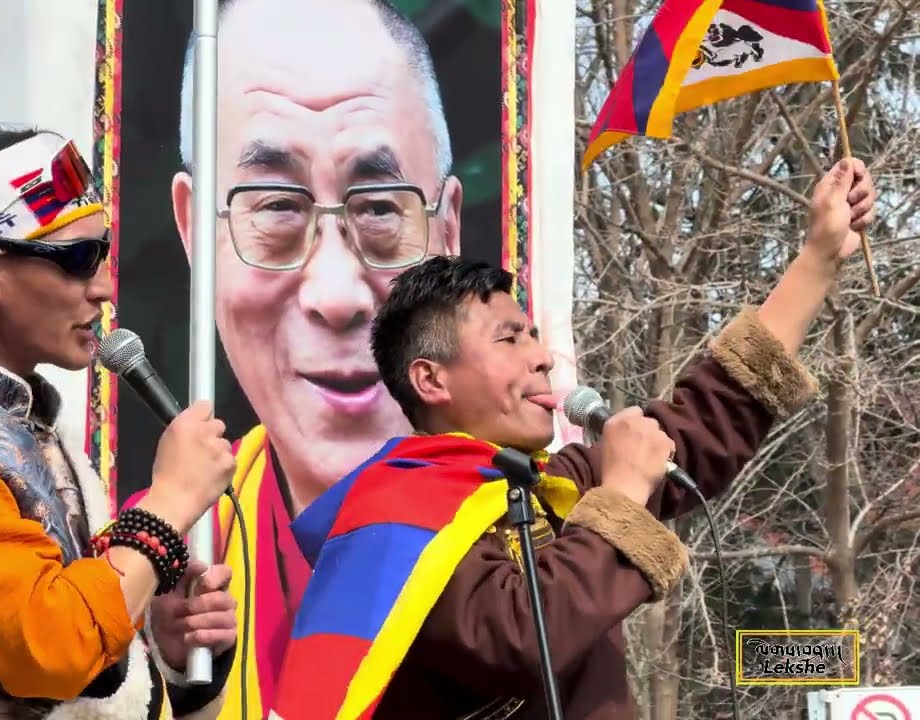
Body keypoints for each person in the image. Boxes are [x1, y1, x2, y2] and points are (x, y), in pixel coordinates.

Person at [271, 158, 878, 719]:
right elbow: (516, 639)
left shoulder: (551, 486)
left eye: (535, 336)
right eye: (510, 339)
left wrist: (818, 258)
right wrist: (621, 495)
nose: (542, 359)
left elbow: (706, 418)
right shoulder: (395, 517)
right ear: (431, 379)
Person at [129, 1, 465, 714]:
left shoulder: (525, 525)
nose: (337, 295)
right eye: (276, 206)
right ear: (194, 228)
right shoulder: (166, 550)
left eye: (379, 209)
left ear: (448, 227)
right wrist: (157, 659)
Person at [0, 126, 239, 719]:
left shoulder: (26, 425)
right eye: (76, 260)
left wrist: (166, 650)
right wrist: (169, 503)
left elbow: (80, 663)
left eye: (103, 252)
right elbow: (54, 650)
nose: (103, 287)